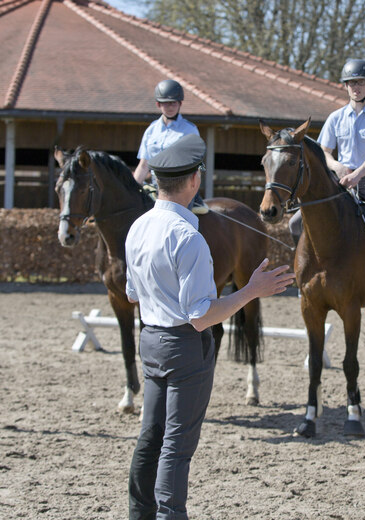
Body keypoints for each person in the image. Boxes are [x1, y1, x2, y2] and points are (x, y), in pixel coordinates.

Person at [125, 133, 295, 520]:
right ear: (193, 182)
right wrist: (251, 291)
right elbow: (201, 316)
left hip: (149, 340)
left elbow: (132, 294)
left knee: (150, 437)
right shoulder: (189, 237)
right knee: (177, 447)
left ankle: (139, 513)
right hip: (184, 346)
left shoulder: (137, 228)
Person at [289, 58, 365, 303]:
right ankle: (304, 273)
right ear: (345, 86)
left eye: (360, 82)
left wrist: (357, 174)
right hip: (339, 180)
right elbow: (325, 153)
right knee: (295, 223)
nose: (356, 87)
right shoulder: (335, 118)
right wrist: (336, 166)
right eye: (351, 83)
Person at [133, 79, 209, 215]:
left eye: (173, 103)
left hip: (179, 189)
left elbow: (195, 167)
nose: (170, 107)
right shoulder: (151, 131)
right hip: (155, 186)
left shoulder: (190, 130)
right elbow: (143, 166)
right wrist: (131, 187)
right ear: (158, 104)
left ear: (180, 104)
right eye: (166, 103)